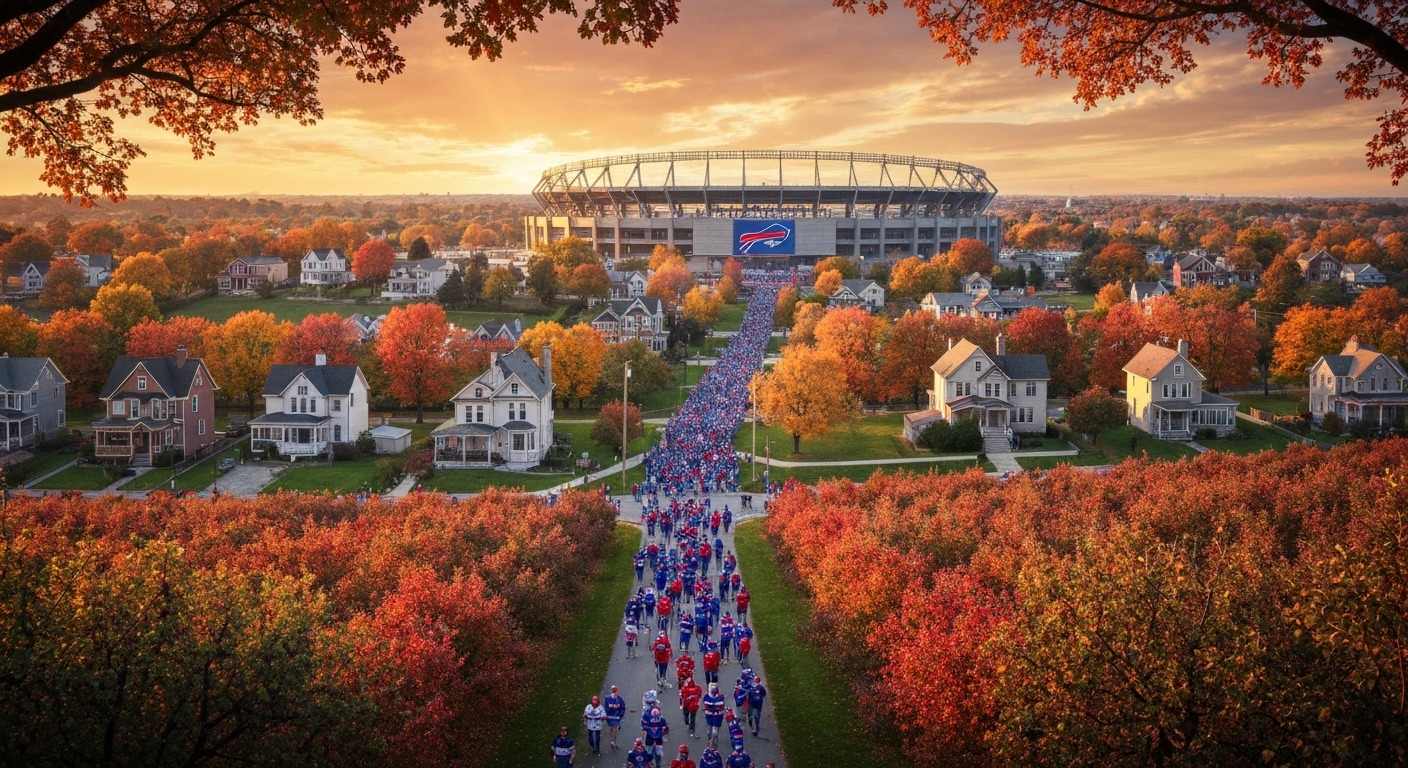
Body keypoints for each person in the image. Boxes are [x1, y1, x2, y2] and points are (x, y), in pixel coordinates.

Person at [701, 682, 726, 749]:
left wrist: (713, 707)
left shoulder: (720, 697)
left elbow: (721, 706)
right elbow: (706, 705)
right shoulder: (706, 697)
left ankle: (715, 745)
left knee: (715, 732)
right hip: (709, 716)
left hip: (717, 716)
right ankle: (710, 740)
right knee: (709, 731)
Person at [605, 685, 627, 751]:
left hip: (616, 716)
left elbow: (622, 707)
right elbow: (607, 707)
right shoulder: (609, 698)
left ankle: (613, 741)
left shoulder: (618, 699)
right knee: (614, 728)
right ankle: (613, 741)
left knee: (614, 728)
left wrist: (621, 713)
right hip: (612, 716)